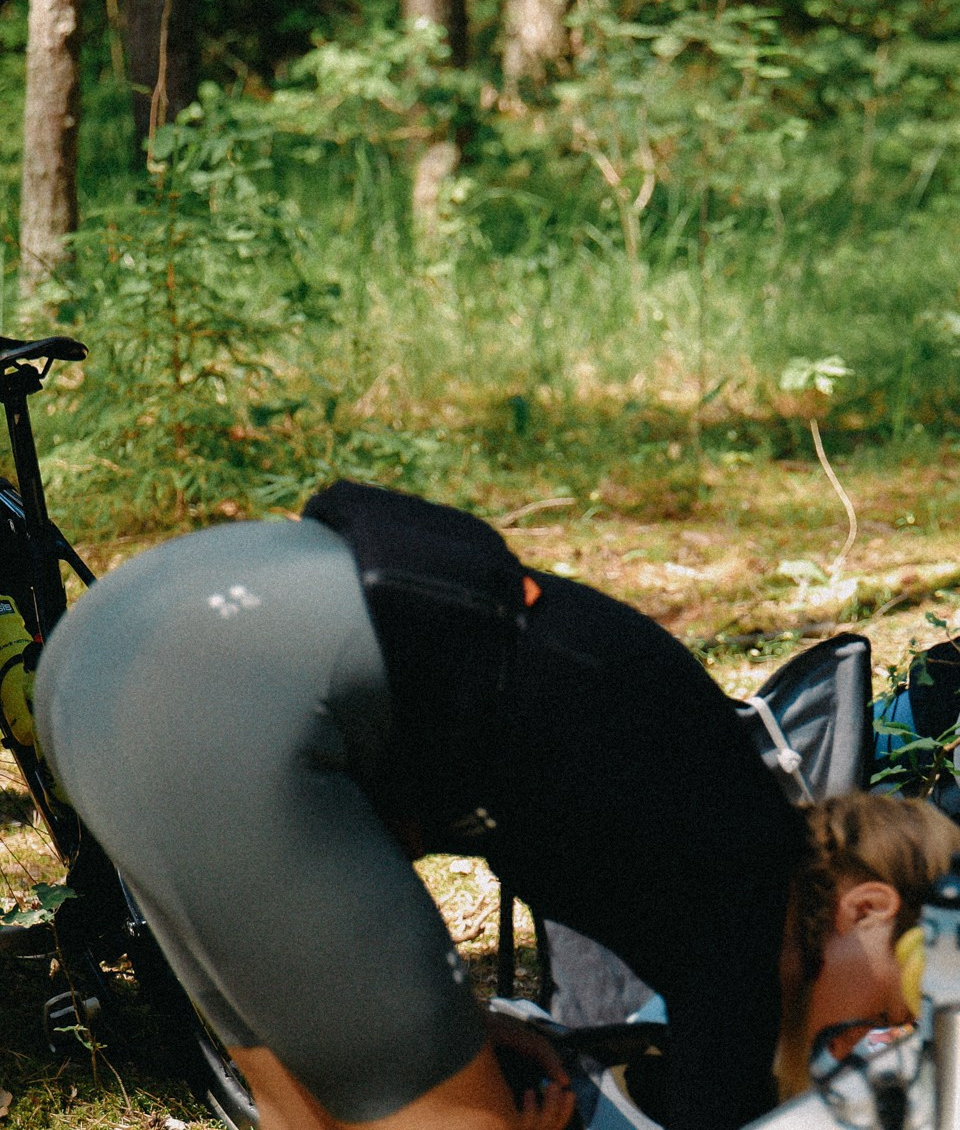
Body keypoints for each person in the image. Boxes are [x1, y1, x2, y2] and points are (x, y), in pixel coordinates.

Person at [33, 483, 866, 1130]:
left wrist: (451, 1028)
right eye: (882, 1020)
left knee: (309, 1111)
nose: (874, 1046)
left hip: (107, 657)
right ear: (867, 907)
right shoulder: (748, 894)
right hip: (226, 695)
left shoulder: (689, 806)